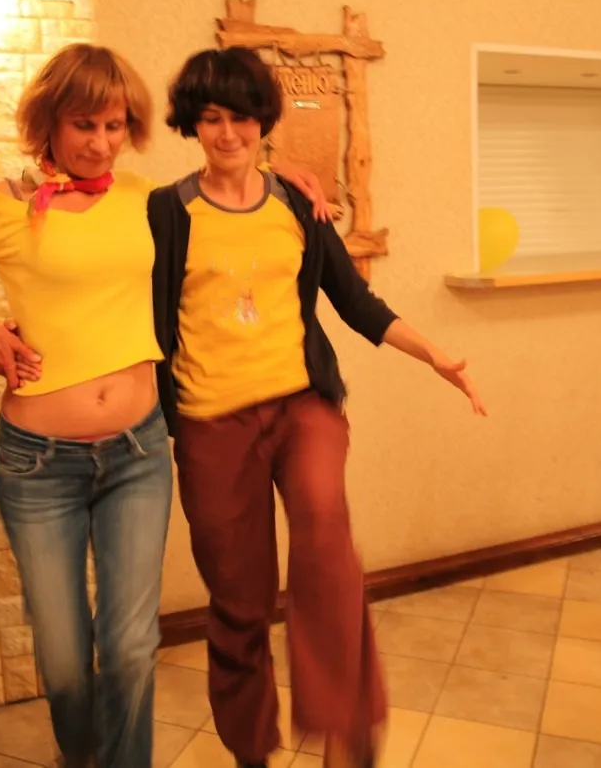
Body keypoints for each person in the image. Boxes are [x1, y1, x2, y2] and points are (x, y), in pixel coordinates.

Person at [0, 43, 329, 768]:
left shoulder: (149, 201)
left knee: (133, 644)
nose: (100, 143)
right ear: (49, 122)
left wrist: (283, 179)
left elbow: (228, 200)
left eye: (115, 127)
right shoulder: (1, 206)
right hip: (38, 464)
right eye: (85, 125)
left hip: (137, 452)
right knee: (64, 654)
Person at [148, 46, 486, 768]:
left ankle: (345, 729)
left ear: (263, 121)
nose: (228, 132)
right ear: (193, 124)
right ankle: (250, 746)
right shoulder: (165, 211)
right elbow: (138, 310)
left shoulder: (296, 204)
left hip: (302, 407)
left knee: (327, 546)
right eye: (212, 117)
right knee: (238, 598)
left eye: (242, 116)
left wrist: (433, 353)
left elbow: (354, 300)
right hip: (211, 421)